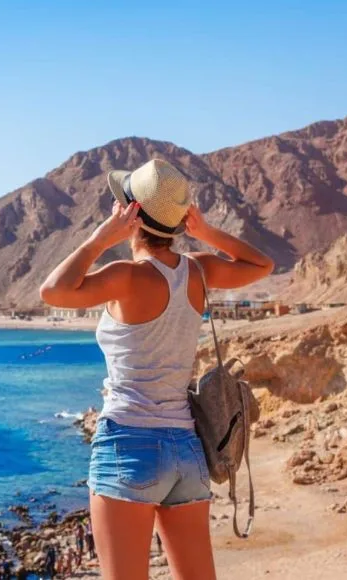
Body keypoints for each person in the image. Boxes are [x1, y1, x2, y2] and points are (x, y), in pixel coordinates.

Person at [40, 159, 274, 580]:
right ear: (177, 222)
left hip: (128, 445)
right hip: (186, 449)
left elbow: (53, 291)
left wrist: (98, 240)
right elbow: (262, 266)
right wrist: (206, 233)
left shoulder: (125, 276)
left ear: (129, 215)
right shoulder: (201, 269)